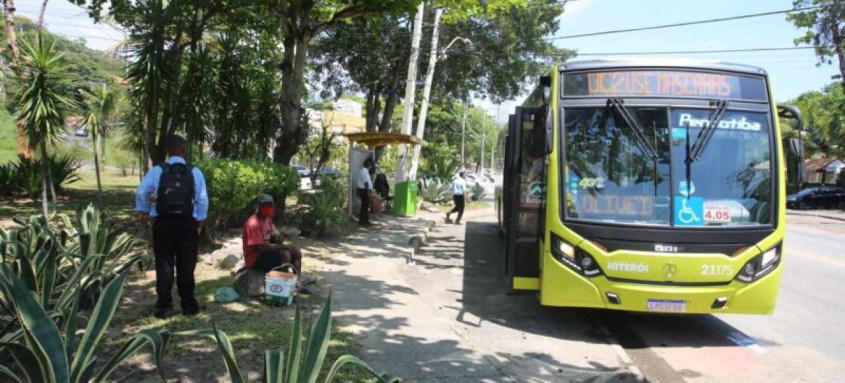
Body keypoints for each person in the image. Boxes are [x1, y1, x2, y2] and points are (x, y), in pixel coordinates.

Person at [136, 135, 208, 318]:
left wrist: (145, 212)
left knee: (164, 265)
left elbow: (142, 191)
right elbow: (202, 200)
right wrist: (199, 221)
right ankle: (189, 306)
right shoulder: (195, 172)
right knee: (186, 266)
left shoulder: (158, 171)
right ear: (184, 150)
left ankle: (164, 307)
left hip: (163, 224)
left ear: (167, 151)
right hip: (187, 225)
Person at [242, 194, 314, 292]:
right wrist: (282, 246)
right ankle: (283, 286)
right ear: (259, 206)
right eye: (265, 205)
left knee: (296, 251)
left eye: (269, 205)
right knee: (285, 254)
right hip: (254, 258)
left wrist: (278, 238)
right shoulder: (252, 223)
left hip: (265, 253)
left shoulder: (267, 219)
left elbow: (272, 237)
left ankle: (297, 283)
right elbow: (259, 248)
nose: (267, 208)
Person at [357, 158, 374, 226]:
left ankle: (365, 220)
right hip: (364, 191)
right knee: (365, 206)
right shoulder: (364, 172)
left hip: (364, 190)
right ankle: (363, 221)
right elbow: (366, 183)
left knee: (365, 206)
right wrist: (368, 194)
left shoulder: (363, 171)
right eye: (370, 165)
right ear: (368, 165)